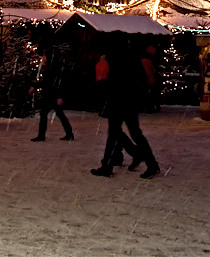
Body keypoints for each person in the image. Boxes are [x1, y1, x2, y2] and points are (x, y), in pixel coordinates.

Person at [90, 39, 160, 179]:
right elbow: (141, 79)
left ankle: (108, 165)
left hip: (119, 100)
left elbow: (113, 82)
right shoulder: (133, 59)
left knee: (115, 133)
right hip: (129, 101)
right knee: (134, 134)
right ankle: (151, 164)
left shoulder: (116, 60)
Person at [29, 47, 73, 142]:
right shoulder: (52, 67)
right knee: (56, 114)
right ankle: (68, 133)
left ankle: (43, 135)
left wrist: (58, 96)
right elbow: (48, 82)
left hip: (52, 95)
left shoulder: (53, 69)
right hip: (51, 94)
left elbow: (55, 83)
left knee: (51, 113)